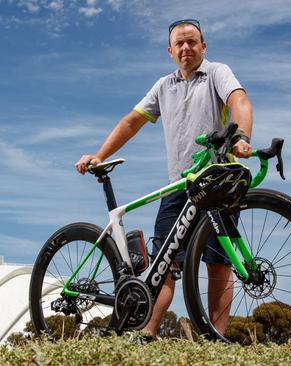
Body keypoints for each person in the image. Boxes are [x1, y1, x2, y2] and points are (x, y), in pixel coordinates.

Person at [75, 19, 253, 341]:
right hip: (179, 186)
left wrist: (240, 136)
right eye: (179, 44)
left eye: (192, 42)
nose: (186, 48)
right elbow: (131, 122)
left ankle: (216, 340)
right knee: (164, 264)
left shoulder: (216, 73)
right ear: (170, 51)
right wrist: (99, 155)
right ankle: (147, 333)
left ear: (203, 46)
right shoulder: (163, 86)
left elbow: (239, 100)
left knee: (219, 262)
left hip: (216, 181)